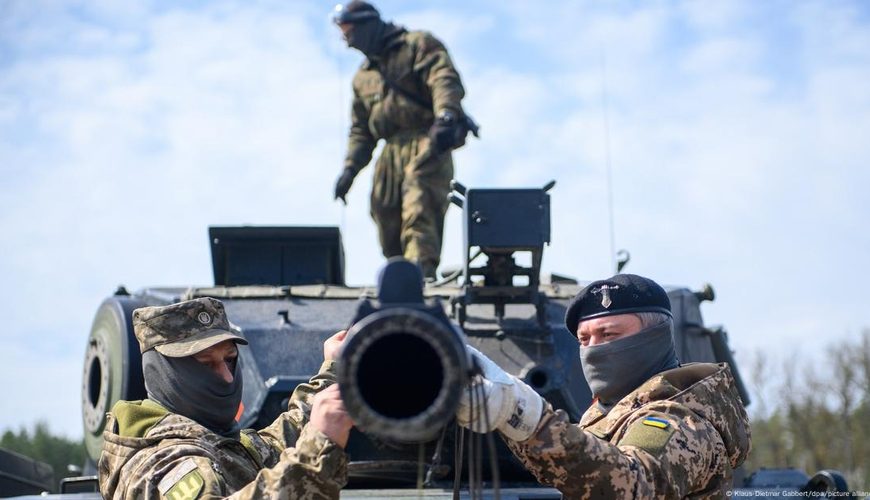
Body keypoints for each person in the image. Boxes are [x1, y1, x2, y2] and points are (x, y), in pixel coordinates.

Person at [456, 274, 752, 498]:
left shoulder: (681, 421)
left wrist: (521, 413)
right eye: (584, 339)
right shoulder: (610, 413)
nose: (593, 350)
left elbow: (631, 483)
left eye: (608, 334)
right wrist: (508, 418)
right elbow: (578, 467)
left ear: (655, 338)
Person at [98, 297, 353, 499]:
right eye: (206, 364)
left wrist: (334, 371)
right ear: (163, 373)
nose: (227, 377)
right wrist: (319, 448)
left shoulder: (219, 443)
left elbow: (278, 443)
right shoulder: (165, 464)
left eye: (229, 360)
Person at [331, 0, 470, 279]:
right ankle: (401, 276)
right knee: (383, 210)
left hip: (426, 139)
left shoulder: (416, 45)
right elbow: (361, 130)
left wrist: (445, 115)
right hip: (390, 150)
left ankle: (420, 271)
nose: (346, 39)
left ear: (366, 25)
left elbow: (443, 78)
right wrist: (350, 169)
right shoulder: (363, 77)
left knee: (419, 202)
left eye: (348, 30)